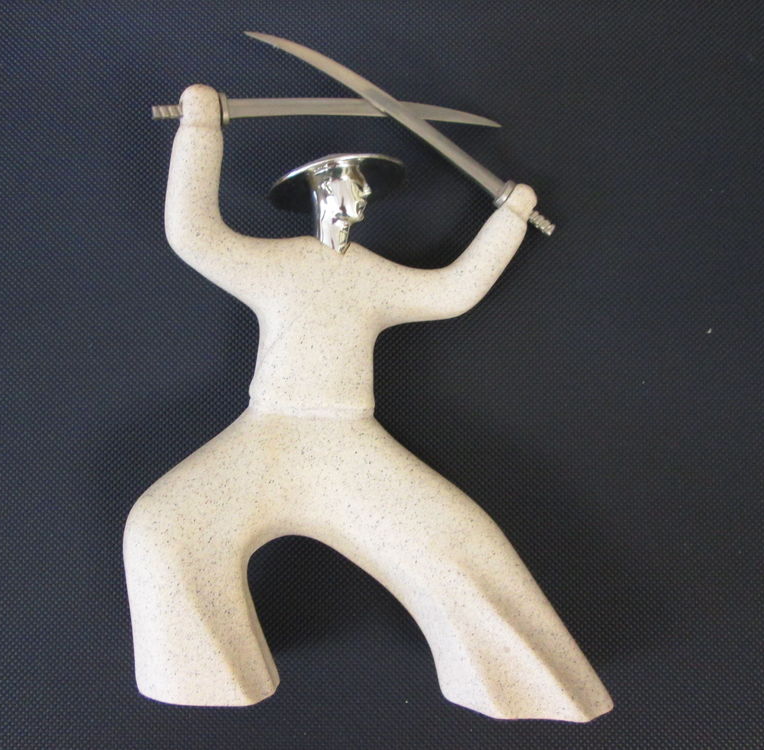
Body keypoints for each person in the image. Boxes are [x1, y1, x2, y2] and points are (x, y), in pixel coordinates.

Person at [123, 84, 613, 721]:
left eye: (363, 192)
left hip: (349, 442)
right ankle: (205, 675)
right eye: (349, 188)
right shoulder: (275, 264)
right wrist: (199, 132)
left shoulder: (371, 274)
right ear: (319, 195)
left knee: (460, 541)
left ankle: (520, 684)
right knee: (164, 527)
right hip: (266, 433)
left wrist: (509, 219)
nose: (358, 202)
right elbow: (194, 233)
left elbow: (453, 292)